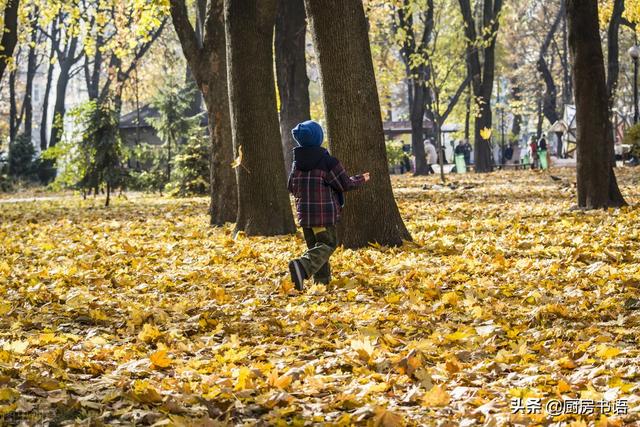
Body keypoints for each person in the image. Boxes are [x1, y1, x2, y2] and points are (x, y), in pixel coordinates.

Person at [287, 120, 370, 291]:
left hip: (305, 216)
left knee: (316, 249)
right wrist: (362, 178)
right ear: (319, 138)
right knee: (328, 244)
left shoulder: (297, 163)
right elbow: (345, 184)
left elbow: (291, 186)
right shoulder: (327, 161)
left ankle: (321, 283)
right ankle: (302, 266)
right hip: (323, 216)